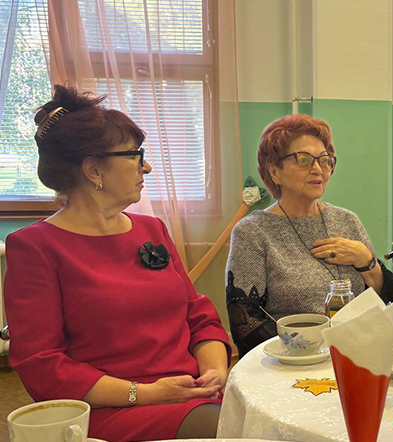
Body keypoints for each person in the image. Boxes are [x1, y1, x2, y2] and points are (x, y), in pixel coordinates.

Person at [4, 85, 231, 441]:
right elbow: (43, 365)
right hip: (113, 409)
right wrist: (147, 394)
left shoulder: (152, 229)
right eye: (135, 156)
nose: (147, 167)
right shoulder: (35, 247)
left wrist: (214, 371)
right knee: (234, 428)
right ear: (94, 169)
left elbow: (199, 316)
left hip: (191, 395)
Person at [225, 114, 393, 357]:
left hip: (358, 353)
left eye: (325, 161)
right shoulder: (253, 232)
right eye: (303, 160)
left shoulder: (347, 220)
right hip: (292, 362)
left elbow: (386, 299)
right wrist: (312, 351)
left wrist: (366, 261)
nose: (318, 169)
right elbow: (245, 323)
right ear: (274, 172)